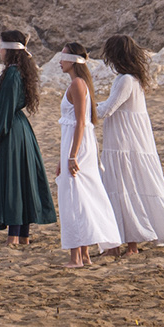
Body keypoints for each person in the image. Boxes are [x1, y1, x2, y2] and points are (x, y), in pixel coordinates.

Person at [98, 33, 164, 257]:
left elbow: (107, 110)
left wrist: (81, 105)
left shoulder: (126, 81)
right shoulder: (129, 79)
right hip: (124, 143)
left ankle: (130, 246)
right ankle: (115, 245)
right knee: (120, 190)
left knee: (124, 190)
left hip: (124, 145)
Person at [51, 42, 121, 267]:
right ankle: (84, 255)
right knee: (78, 195)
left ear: (73, 61)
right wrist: (63, 158)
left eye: (63, 57)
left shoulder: (78, 84)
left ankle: (76, 258)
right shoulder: (78, 84)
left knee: (74, 198)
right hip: (75, 145)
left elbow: (81, 121)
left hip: (79, 147)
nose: (60, 61)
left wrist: (72, 156)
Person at [0, 30, 56, 247]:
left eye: (1, 47)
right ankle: (23, 235)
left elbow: (6, 110)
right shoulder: (18, 72)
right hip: (20, 129)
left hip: (11, 133)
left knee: (14, 180)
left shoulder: (12, 74)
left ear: (9, 50)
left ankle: (14, 237)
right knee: (21, 178)